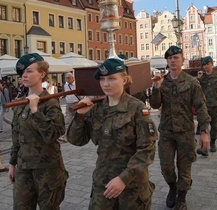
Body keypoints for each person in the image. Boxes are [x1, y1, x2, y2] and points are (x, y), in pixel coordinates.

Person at [67, 58, 157, 209]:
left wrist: (123, 179)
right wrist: (81, 115)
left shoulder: (137, 108)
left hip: (132, 186)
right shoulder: (96, 109)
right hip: (103, 183)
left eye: (111, 78)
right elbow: (76, 140)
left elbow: (147, 150)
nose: (105, 84)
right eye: (102, 79)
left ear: (124, 80)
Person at [149, 46, 211, 209]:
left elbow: (201, 106)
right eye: (170, 58)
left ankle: (182, 197)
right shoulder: (161, 82)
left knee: (184, 167)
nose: (173, 60)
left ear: (182, 60)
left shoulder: (191, 82)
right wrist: (156, 88)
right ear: (167, 61)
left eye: (176, 57)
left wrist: (204, 132)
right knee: (166, 167)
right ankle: (172, 187)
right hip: (167, 133)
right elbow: (155, 104)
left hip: (185, 132)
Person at [9, 53, 68, 209]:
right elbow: (17, 136)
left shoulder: (50, 103)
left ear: (42, 74)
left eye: (29, 71)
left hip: (47, 168)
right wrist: (12, 163)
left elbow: (53, 134)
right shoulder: (21, 103)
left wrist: (35, 110)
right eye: (23, 73)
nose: (24, 75)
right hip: (24, 168)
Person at [197, 56, 217, 154]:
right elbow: (197, 90)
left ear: (212, 64)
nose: (206, 67)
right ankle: (204, 147)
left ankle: (213, 143)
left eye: (208, 64)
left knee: (214, 126)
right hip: (204, 106)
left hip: (215, 105)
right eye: (204, 65)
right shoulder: (202, 78)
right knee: (203, 126)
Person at [60, 72, 80, 142]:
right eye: (66, 78)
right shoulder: (66, 85)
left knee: (77, 120)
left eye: (69, 78)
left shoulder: (77, 84)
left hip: (77, 103)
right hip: (68, 104)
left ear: (73, 78)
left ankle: (76, 135)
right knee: (67, 120)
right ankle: (65, 136)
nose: (67, 79)